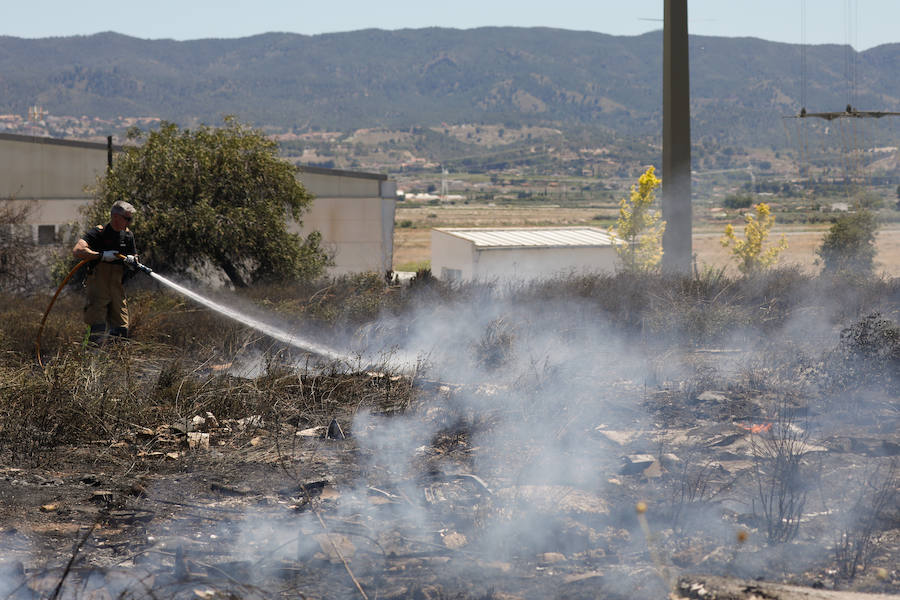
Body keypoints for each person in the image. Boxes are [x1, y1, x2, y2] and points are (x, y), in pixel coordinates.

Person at [72, 200, 139, 343]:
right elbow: (78, 251)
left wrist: (133, 261)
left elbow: (135, 256)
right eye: (127, 219)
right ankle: (90, 363)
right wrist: (101, 255)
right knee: (97, 330)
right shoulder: (99, 232)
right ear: (115, 217)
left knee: (121, 331)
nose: (130, 222)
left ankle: (115, 363)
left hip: (117, 289)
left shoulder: (127, 236)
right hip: (98, 288)